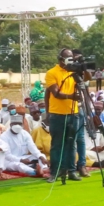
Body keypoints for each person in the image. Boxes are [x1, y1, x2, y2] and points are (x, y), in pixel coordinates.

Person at [44, 49, 82, 182]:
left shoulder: (74, 71)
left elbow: (86, 81)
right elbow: (55, 93)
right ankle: (55, 172)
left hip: (73, 112)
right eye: (68, 58)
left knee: (72, 144)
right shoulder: (51, 73)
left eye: (72, 57)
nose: (71, 60)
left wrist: (83, 68)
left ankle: (71, 171)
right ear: (61, 59)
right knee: (57, 145)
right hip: (57, 114)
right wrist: (71, 96)